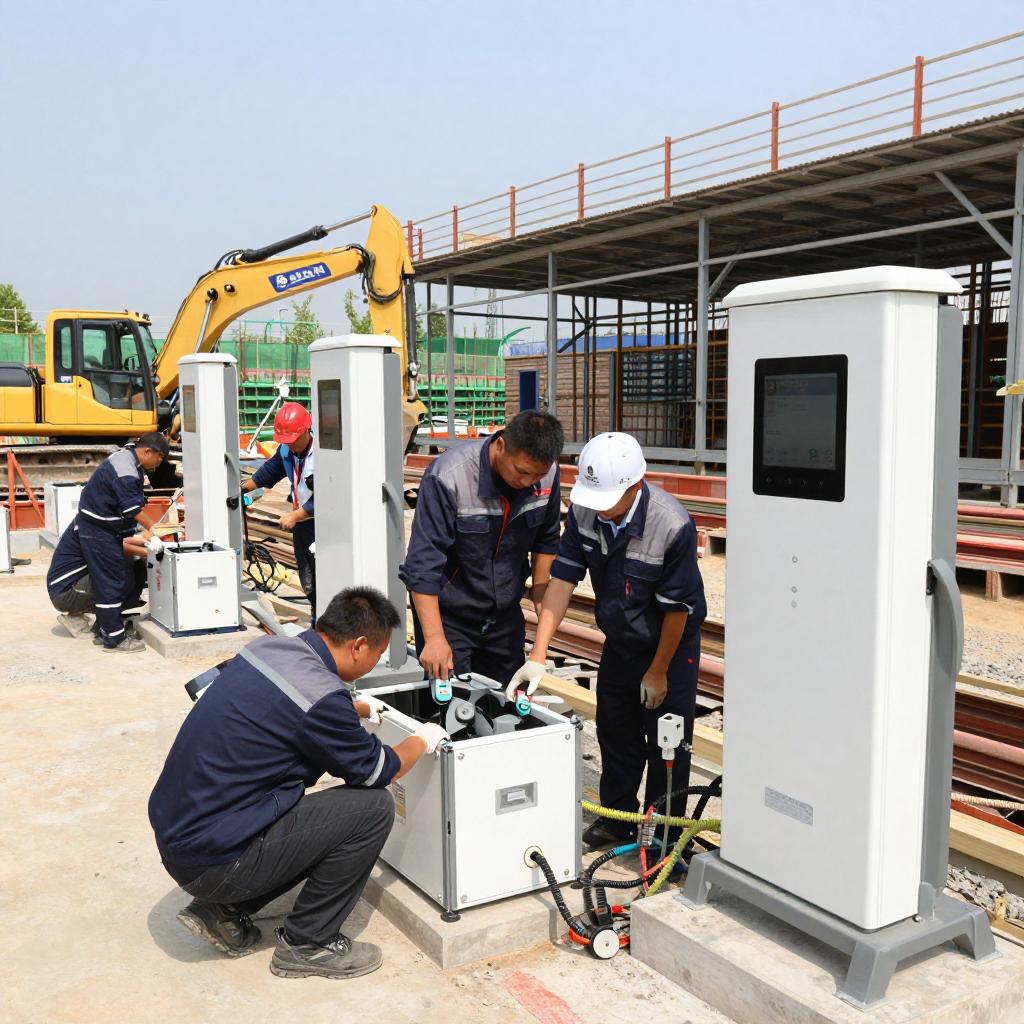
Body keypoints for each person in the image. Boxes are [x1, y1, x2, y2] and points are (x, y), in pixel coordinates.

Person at [148, 587, 447, 980]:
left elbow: (255, 696)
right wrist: (422, 739)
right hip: (213, 861)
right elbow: (378, 770)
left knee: (307, 814)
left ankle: (220, 909)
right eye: (377, 654)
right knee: (371, 809)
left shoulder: (269, 648)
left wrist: (352, 705)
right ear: (358, 645)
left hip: (181, 838)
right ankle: (309, 944)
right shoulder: (322, 699)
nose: (376, 663)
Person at [508, 432, 706, 849]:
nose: (598, 508)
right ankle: (619, 820)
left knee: (667, 742)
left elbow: (678, 609)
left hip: (669, 650)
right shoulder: (585, 510)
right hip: (620, 641)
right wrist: (539, 654)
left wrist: (657, 672)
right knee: (616, 731)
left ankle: (664, 837)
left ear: (636, 486)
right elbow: (562, 579)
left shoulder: (670, 525)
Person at [399, 410, 564, 687]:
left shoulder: (546, 477)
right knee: (453, 705)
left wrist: (539, 587)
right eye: (522, 471)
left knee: (504, 699)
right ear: (501, 446)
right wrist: (435, 638)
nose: (528, 481)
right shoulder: (448, 478)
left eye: (537, 474)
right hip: (450, 615)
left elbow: (547, 537)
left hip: (504, 616)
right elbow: (423, 565)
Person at [63, 433, 168, 653]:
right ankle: (113, 640)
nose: (160, 462)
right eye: (159, 457)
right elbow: (132, 509)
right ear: (147, 451)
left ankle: (104, 631)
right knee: (110, 582)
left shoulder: (128, 460)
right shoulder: (127, 470)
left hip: (101, 529)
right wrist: (154, 531)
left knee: (116, 577)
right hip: (98, 532)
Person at [242, 402, 316, 621]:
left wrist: (297, 515)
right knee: (308, 576)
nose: (289, 445)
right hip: (303, 526)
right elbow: (271, 469)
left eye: (293, 440)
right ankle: (317, 619)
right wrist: (245, 487)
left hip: (324, 525)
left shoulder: (323, 455)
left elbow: (331, 495)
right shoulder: (287, 450)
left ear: (305, 431)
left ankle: (330, 623)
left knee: (326, 576)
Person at [47, 527, 149, 641]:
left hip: (76, 585)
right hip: (66, 592)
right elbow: (118, 547)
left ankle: (109, 617)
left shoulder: (102, 520)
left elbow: (125, 540)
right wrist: (148, 550)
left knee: (137, 566)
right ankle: (104, 628)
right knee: (119, 569)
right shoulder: (88, 525)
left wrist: (148, 542)